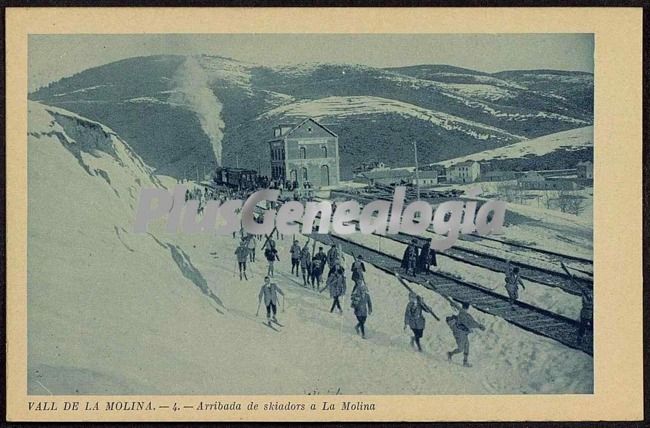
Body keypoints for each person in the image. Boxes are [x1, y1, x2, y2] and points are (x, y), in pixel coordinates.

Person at [561, 261, 593, 345]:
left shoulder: (585, 292)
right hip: (588, 312)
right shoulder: (588, 294)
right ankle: (580, 339)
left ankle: (581, 339)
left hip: (587, 312)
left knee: (584, 327)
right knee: (586, 327)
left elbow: (579, 284)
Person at [446, 300, 485, 367]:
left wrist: (478, 325)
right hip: (459, 333)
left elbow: (470, 321)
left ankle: (465, 362)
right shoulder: (463, 315)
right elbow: (469, 323)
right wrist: (479, 326)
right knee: (460, 349)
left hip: (463, 333)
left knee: (467, 346)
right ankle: (450, 354)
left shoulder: (463, 313)